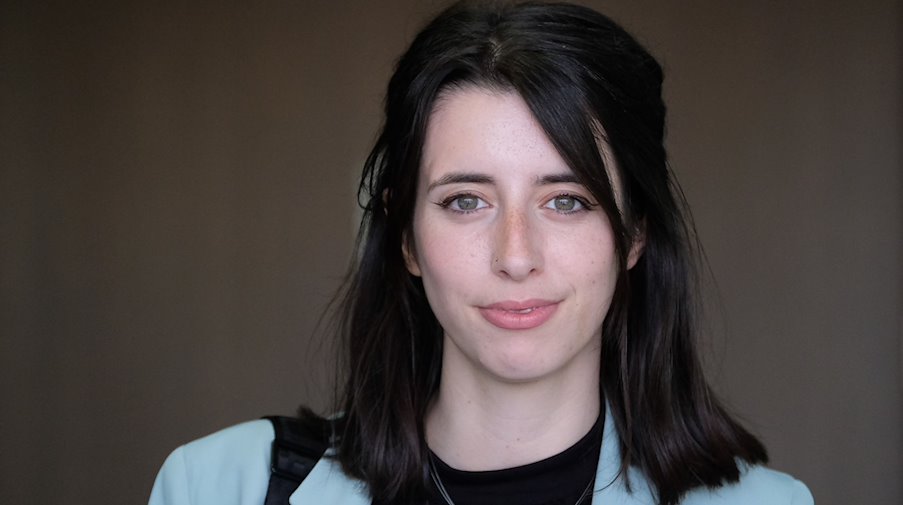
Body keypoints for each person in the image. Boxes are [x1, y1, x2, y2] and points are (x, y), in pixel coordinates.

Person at [149, 1, 814, 504]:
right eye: (466, 200)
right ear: (405, 235)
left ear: (634, 231)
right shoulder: (218, 486)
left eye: (567, 200)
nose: (515, 256)